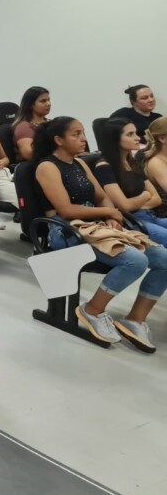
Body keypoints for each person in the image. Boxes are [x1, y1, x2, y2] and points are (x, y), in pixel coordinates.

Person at [34, 117, 167, 350]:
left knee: (164, 259)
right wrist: (109, 212)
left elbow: (102, 196)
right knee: (135, 260)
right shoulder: (47, 167)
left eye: (83, 133)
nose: (83, 138)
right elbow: (66, 210)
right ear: (58, 140)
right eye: (76, 134)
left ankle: (135, 319)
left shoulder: (80, 163)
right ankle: (92, 310)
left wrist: (110, 217)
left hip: (94, 225)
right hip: (67, 230)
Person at [94, 119, 167, 247]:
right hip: (133, 222)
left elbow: (156, 199)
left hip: (152, 215)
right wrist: (145, 195)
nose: (137, 138)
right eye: (130, 134)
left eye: (135, 133)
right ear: (115, 139)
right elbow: (125, 206)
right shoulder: (104, 167)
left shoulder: (133, 163)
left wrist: (136, 203)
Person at [10, 86, 51, 162]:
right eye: (43, 101)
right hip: (37, 165)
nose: (48, 104)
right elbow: (28, 154)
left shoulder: (51, 122)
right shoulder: (24, 126)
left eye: (48, 100)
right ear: (31, 105)